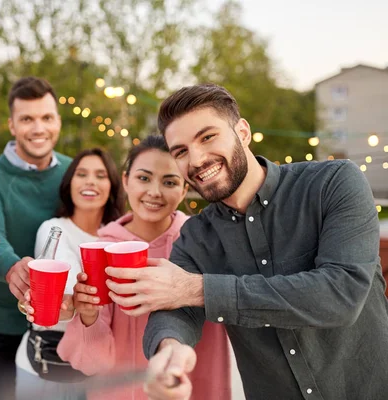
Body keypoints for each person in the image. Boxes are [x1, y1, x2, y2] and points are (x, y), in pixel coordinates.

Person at [115, 84, 388, 400]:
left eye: (207, 137)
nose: (198, 159)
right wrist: (168, 350)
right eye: (181, 151)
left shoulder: (333, 183)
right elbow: (174, 312)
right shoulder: (197, 236)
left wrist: (198, 288)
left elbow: (340, 294)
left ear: (242, 132)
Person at [57, 135, 233, 400]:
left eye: (170, 182)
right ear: (126, 181)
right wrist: (89, 317)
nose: (154, 192)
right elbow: (92, 364)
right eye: (143, 178)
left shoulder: (205, 243)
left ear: (184, 190)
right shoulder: (101, 250)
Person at [0, 77, 72, 400]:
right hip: (5, 325)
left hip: (64, 322)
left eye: (46, 118)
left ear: (58, 122)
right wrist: (13, 267)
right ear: (12, 125)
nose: (38, 128)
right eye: (27, 119)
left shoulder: (75, 173)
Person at [16, 148, 124, 398]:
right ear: (69, 184)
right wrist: (71, 302)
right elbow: (66, 291)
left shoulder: (119, 237)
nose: (90, 181)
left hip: (97, 370)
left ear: (112, 187)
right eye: (81, 174)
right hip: (46, 366)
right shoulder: (53, 230)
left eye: (100, 175)